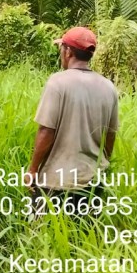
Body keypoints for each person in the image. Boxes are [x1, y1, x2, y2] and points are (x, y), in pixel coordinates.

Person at [25, 27, 118, 214]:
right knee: (84, 231)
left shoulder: (57, 82)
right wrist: (104, 162)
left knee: (43, 230)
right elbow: (110, 135)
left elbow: (46, 131)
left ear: (67, 52)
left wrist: (33, 169)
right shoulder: (109, 87)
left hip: (56, 180)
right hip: (92, 181)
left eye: (62, 48)